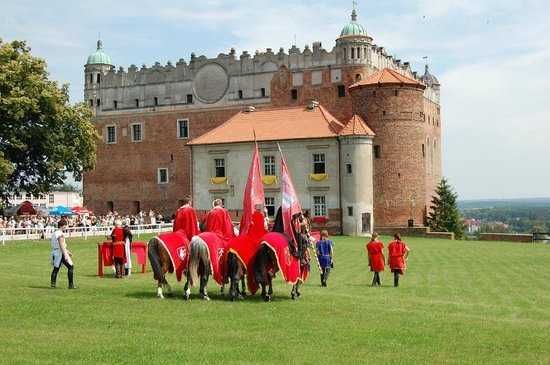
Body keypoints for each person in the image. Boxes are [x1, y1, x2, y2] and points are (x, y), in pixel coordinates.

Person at [50, 219, 75, 289]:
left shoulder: (55, 233)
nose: (66, 227)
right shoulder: (59, 234)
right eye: (65, 225)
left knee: (56, 269)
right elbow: (61, 244)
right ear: (62, 226)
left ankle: (53, 284)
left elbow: (60, 245)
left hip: (56, 252)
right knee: (71, 267)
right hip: (60, 253)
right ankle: (71, 285)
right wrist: (65, 254)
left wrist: (67, 252)